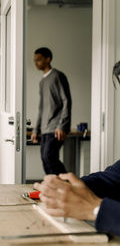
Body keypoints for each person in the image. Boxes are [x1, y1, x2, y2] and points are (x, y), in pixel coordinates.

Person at [34, 60, 120, 237]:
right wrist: (68, 188)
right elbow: (114, 178)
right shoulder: (43, 81)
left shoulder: (57, 77)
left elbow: (66, 103)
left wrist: (94, 209)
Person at [31, 47, 72, 175]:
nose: (36, 62)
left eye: (39, 59)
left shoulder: (58, 76)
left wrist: (62, 126)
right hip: (45, 129)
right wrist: (35, 129)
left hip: (56, 128)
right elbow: (42, 107)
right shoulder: (43, 81)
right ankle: (55, 188)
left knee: (49, 158)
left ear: (48, 59)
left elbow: (66, 100)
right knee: (45, 159)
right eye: (34, 60)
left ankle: (67, 185)